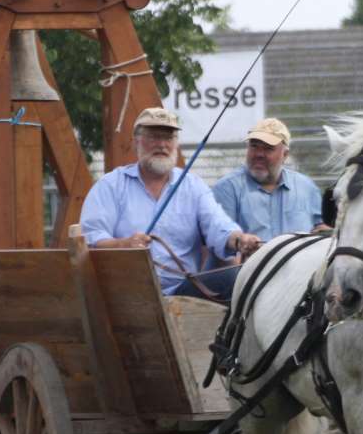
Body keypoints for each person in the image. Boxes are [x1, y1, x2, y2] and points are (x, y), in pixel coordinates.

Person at [80, 107, 260, 300]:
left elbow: (218, 226)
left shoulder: (193, 186)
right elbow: (91, 238)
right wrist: (124, 244)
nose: (162, 145)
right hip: (126, 290)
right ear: (135, 142)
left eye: (168, 138)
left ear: (176, 143)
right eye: (153, 137)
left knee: (239, 277)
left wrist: (239, 240)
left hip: (182, 291)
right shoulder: (110, 185)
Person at [212, 117, 329, 241]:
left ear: (285, 155)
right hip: (249, 260)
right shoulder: (227, 188)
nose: (259, 154)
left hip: (298, 259)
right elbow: (221, 240)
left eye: (268, 148)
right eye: (254, 146)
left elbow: (319, 227)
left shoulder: (306, 187)